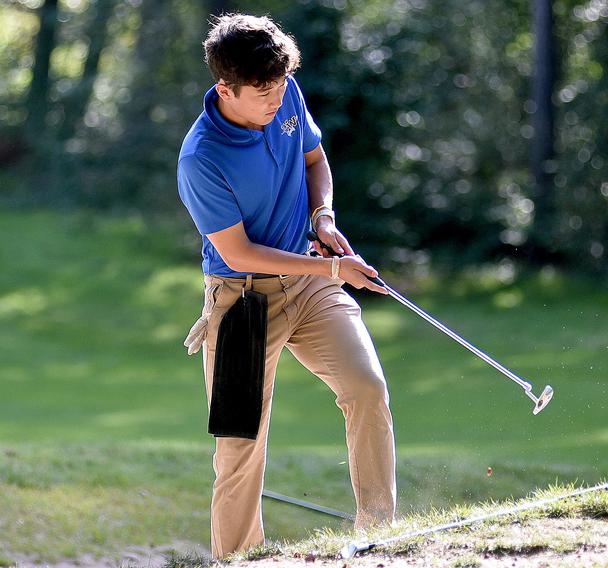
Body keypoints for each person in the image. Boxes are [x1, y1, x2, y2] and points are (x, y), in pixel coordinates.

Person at [176, 13, 397, 559]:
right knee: (239, 448)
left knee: (366, 387)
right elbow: (238, 251)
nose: (277, 100)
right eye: (264, 91)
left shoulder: (285, 91)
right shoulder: (200, 158)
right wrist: (333, 270)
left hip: (306, 279)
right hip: (241, 300)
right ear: (225, 89)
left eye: (281, 86)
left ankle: (378, 536)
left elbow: (315, 159)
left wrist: (323, 217)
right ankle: (239, 559)